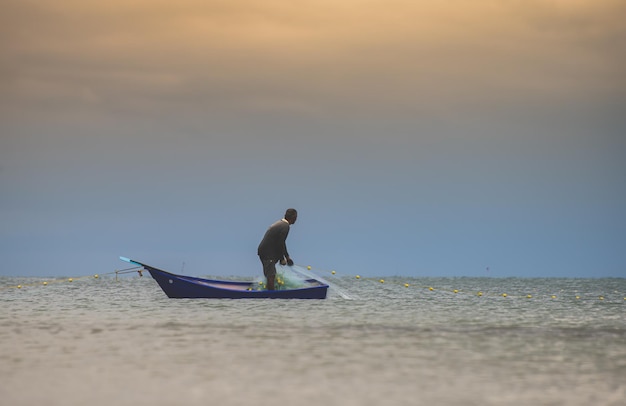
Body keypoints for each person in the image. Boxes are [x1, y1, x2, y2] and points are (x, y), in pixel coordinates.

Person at [257, 208, 297, 290]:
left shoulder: (281, 224)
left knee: (271, 274)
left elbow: (282, 243)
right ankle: (271, 296)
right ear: (292, 217)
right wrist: (282, 258)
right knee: (271, 275)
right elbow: (280, 244)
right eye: (296, 217)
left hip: (267, 251)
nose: (296, 219)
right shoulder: (285, 226)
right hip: (267, 253)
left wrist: (287, 257)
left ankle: (270, 292)